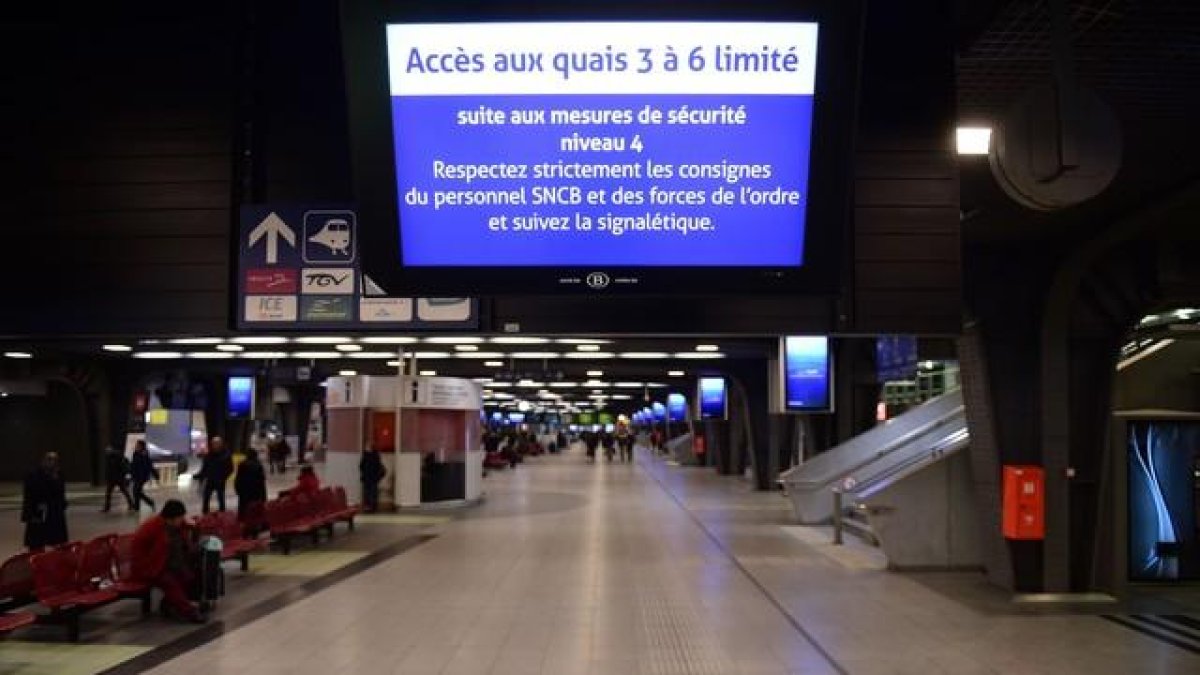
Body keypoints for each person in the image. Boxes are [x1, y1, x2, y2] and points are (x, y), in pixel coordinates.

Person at [131, 500, 204, 623]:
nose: (182, 520)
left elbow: (186, 539)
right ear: (171, 518)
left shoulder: (176, 526)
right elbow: (145, 554)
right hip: (150, 567)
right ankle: (190, 612)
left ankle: (168, 605)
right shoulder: (152, 528)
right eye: (180, 517)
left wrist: (194, 526)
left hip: (165, 564)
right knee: (170, 582)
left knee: (187, 576)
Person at [22, 452, 68, 551]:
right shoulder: (34, 475)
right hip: (38, 511)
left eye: (54, 460)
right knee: (37, 541)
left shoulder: (58, 475)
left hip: (54, 510)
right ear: (43, 461)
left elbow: (60, 492)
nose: (52, 463)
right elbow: (32, 494)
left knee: (57, 540)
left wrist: (63, 504)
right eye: (49, 460)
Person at [197, 436, 233, 514]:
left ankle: (222, 513)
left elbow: (230, 469)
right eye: (213, 443)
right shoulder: (209, 455)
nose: (214, 445)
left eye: (216, 443)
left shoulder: (226, 455)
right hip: (210, 480)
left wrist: (223, 477)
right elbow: (204, 468)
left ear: (220, 444)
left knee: (221, 498)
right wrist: (201, 477)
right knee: (206, 497)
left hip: (220, 480)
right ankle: (205, 513)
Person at [234, 448, 267, 521]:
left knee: (243, 508)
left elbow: (238, 478)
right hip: (256, 491)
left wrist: (237, 489)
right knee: (254, 509)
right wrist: (263, 495)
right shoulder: (258, 465)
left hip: (244, 491)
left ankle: (242, 522)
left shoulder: (242, 464)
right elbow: (261, 480)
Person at [101, 445, 134, 512]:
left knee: (112, 493)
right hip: (116, 478)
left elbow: (118, 468)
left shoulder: (115, 457)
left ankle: (107, 507)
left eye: (107, 451)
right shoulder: (111, 457)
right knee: (122, 492)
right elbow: (109, 469)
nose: (106, 452)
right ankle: (131, 504)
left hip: (116, 478)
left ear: (110, 451)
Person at [129, 440, 159, 512]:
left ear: (141, 446)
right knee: (136, 492)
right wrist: (131, 472)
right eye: (136, 445)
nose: (136, 446)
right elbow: (133, 464)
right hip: (136, 475)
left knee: (136, 491)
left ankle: (145, 504)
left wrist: (156, 475)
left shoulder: (145, 454)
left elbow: (149, 465)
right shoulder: (135, 453)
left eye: (138, 445)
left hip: (142, 476)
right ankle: (140, 506)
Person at [359, 447, 386, 513]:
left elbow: (361, 466)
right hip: (374, 478)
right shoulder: (376, 456)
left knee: (367, 492)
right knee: (373, 493)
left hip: (367, 478)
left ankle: (367, 506)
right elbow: (379, 466)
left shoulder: (365, 455)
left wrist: (365, 472)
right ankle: (373, 506)